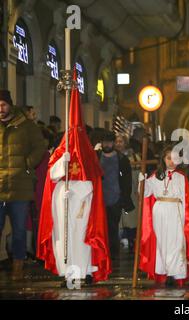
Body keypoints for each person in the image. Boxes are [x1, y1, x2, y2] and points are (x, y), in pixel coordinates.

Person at [38, 84, 111, 285]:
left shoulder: (88, 155)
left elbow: (93, 182)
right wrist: (63, 162)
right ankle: (68, 272)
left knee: (82, 237)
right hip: (62, 201)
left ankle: (85, 270)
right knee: (65, 237)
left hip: (82, 204)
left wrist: (78, 193)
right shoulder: (60, 153)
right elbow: (52, 176)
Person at [0, 90, 46, 280]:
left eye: (3, 104)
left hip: (20, 186)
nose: (0, 109)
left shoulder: (26, 126)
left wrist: (28, 164)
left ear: (10, 105)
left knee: (19, 229)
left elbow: (40, 147)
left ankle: (18, 265)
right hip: (0, 185)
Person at [139, 145, 189, 287]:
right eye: (168, 158)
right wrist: (142, 181)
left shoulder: (181, 177)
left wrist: (186, 218)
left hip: (175, 210)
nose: (171, 161)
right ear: (163, 159)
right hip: (159, 211)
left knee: (176, 241)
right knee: (162, 242)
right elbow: (146, 193)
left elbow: (187, 199)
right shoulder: (155, 176)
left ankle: (175, 273)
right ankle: (164, 270)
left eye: (174, 158)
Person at [97, 131, 134, 261]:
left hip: (115, 199)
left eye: (109, 142)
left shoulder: (121, 159)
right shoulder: (96, 157)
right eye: (104, 141)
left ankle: (112, 255)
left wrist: (124, 197)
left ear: (113, 143)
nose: (107, 144)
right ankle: (101, 252)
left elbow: (127, 181)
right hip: (98, 199)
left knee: (113, 228)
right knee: (99, 228)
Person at [115, 133, 139, 253]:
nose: (119, 144)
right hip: (116, 191)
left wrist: (137, 189)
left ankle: (131, 240)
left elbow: (138, 175)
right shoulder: (112, 157)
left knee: (131, 217)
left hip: (131, 190)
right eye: (117, 141)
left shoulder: (134, 157)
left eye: (121, 141)